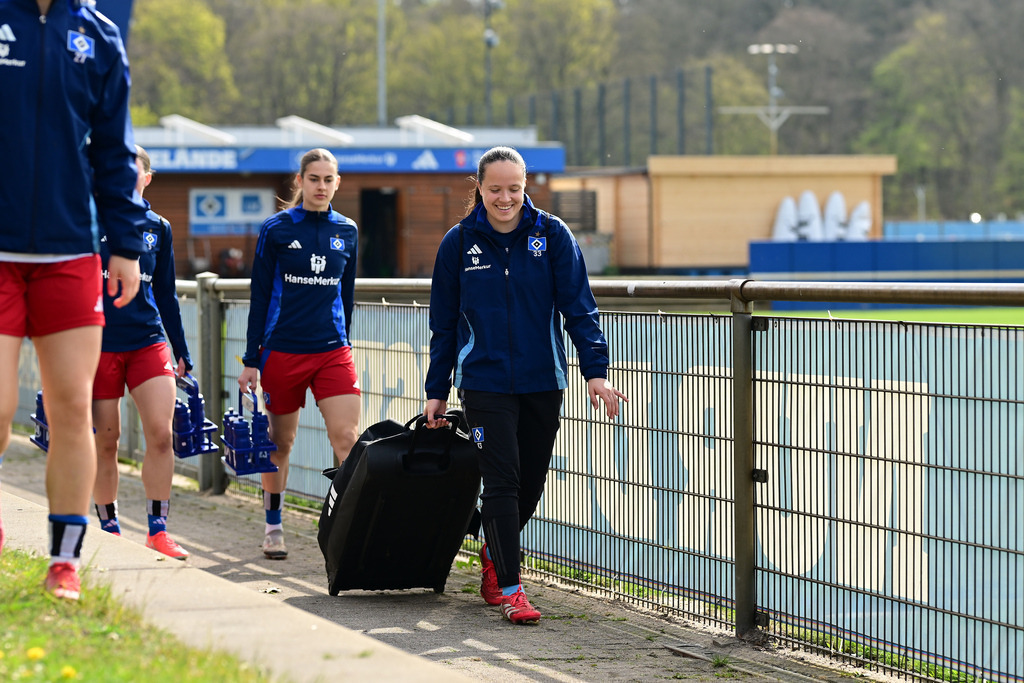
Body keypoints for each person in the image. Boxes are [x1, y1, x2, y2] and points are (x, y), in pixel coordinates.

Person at [422, 146, 627, 625]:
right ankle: (512, 590)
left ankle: (495, 550)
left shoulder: (552, 235)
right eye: (495, 188)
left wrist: (594, 372)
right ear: (479, 187)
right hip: (484, 383)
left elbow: (580, 308)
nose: (506, 197)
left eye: (514, 188)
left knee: (530, 482)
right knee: (502, 479)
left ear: (525, 185)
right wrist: (437, 387)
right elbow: (444, 324)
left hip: (542, 380)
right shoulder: (458, 243)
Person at [0, 0, 146, 599]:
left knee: (70, 411)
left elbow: (115, 153)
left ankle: (64, 562)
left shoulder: (99, 36)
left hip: (70, 255)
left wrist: (127, 246)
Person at [238, 148, 361, 560]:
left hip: (332, 353)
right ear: (300, 182)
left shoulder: (348, 231)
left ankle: (348, 531)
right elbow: (259, 296)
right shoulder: (275, 230)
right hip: (282, 353)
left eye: (329, 179)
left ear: (337, 183)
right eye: (314, 179)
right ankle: (274, 527)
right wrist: (251, 359)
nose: (321, 186)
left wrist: (347, 343)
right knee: (280, 443)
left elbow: (347, 297)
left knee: (348, 440)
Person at [92, 146, 193, 560]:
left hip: (148, 341)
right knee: (107, 441)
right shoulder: (87, 217)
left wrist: (181, 348)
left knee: (160, 434)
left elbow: (166, 293)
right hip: (97, 343)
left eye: (134, 170)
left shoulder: (158, 227)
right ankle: (109, 527)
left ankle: (157, 529)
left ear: (147, 178)